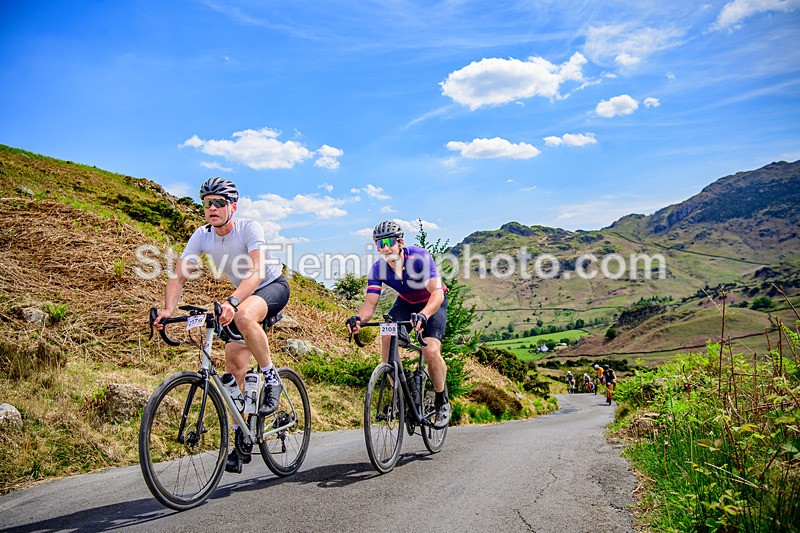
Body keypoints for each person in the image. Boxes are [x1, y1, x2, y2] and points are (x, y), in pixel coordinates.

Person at [153, 177, 290, 474]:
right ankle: (242, 434)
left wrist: (232, 301)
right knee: (233, 369)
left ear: (233, 206)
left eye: (219, 203)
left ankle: (271, 378)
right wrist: (168, 309)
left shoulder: (249, 228)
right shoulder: (201, 236)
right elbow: (178, 276)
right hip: (242, 296)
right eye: (206, 204)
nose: (211, 208)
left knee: (242, 316)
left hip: (270, 286)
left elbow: (254, 274)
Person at [345, 220, 450, 429]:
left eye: (388, 241)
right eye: (379, 243)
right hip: (405, 304)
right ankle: (401, 394)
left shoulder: (419, 257)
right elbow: (369, 304)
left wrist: (424, 315)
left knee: (430, 350)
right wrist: (358, 319)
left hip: (432, 304)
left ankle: (441, 400)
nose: (384, 247)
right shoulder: (378, 269)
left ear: (400, 242)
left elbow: (436, 293)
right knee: (387, 334)